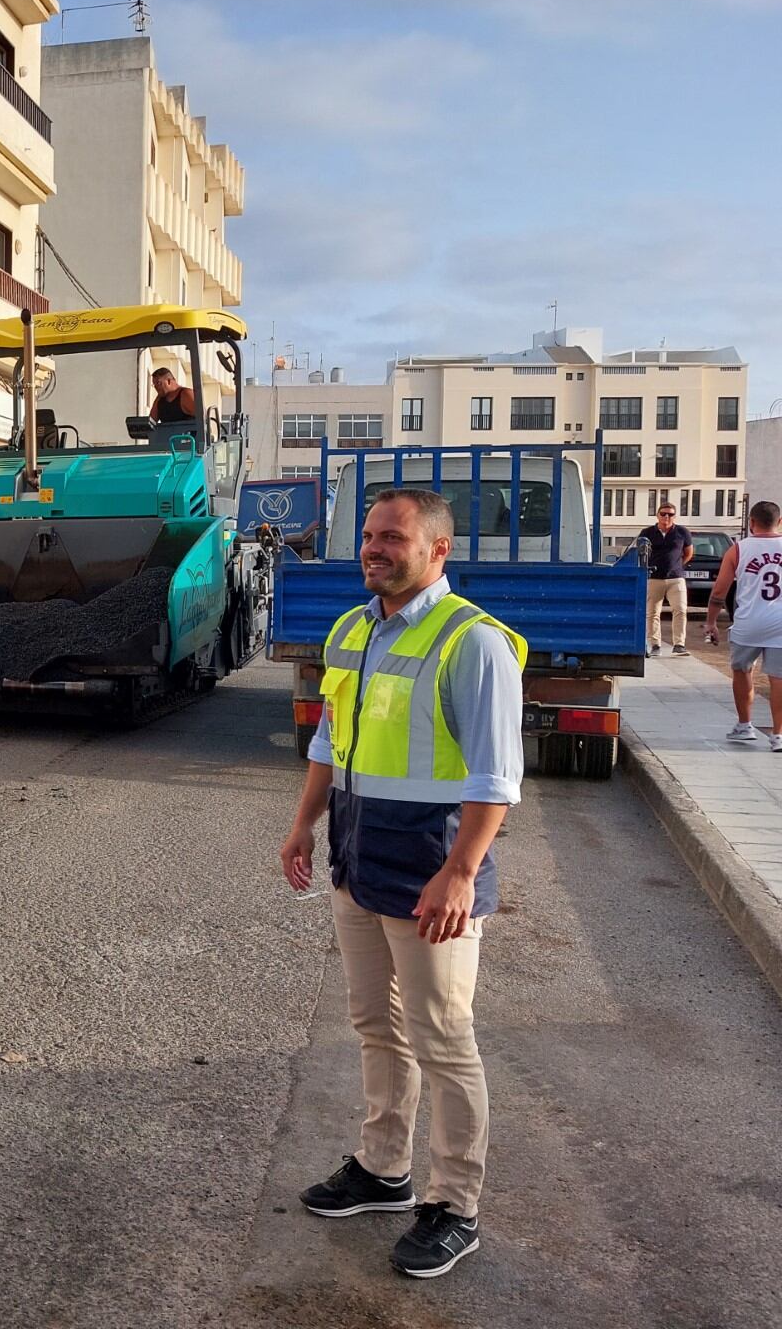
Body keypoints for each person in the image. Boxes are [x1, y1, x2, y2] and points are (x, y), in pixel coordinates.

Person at [279, 487, 525, 1280]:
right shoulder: (355, 627)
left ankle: (456, 1206)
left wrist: (460, 873)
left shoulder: (472, 642)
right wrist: (303, 824)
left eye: (393, 538)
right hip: (357, 852)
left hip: (431, 866)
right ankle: (384, 1168)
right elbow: (329, 740)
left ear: (439, 551)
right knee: (375, 1025)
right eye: (370, 537)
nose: (375, 549)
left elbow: (496, 777)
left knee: (443, 1038)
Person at [704, 499, 782, 750]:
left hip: (748, 621)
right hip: (780, 623)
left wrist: (711, 622)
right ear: (779, 522)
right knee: (778, 678)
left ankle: (745, 725)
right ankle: (778, 734)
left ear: (751, 523)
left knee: (742, 670)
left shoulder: (738, 549)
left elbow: (720, 589)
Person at [640, 503, 694, 656]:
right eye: (663, 514)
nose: (666, 517)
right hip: (654, 578)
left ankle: (679, 644)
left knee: (680, 610)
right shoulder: (647, 532)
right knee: (652, 613)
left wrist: (677, 566)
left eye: (670, 514)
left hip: (676, 578)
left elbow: (688, 553)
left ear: (674, 516)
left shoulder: (682, 532)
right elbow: (640, 552)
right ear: (657, 515)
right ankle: (655, 645)